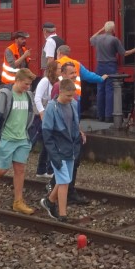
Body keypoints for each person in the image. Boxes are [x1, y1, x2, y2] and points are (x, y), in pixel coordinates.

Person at [0, 68, 38, 215]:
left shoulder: (28, 95)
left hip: (22, 138)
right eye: (26, 84)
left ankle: (18, 201)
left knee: (20, 170)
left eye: (30, 84)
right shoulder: (5, 95)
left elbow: (31, 116)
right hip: (6, 138)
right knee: (2, 169)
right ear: (17, 80)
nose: (28, 87)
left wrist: (29, 136)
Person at [46, 61, 94, 204]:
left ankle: (63, 193)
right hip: (63, 137)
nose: (75, 75)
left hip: (72, 134)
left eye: (75, 72)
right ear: (63, 74)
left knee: (73, 163)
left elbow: (73, 114)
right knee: (66, 165)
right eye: (71, 73)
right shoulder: (58, 87)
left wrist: (78, 130)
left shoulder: (72, 88)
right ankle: (60, 193)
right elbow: (56, 112)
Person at [40, 78, 86, 222]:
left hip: (70, 149)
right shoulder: (51, 108)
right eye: (68, 95)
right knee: (64, 181)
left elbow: (75, 126)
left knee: (64, 179)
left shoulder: (73, 104)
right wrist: (53, 155)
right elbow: (47, 134)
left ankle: (49, 202)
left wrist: (78, 142)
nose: (71, 98)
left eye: (72, 95)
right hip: (58, 151)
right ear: (60, 92)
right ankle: (62, 215)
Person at [90, 21, 135, 122]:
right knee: (109, 90)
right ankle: (108, 116)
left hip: (99, 66)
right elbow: (124, 53)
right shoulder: (114, 40)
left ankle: (100, 115)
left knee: (100, 90)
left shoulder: (98, 38)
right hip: (110, 66)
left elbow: (91, 38)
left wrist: (101, 30)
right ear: (113, 30)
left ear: (105, 29)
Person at [31, 60, 60, 178]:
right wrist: (42, 113)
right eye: (59, 68)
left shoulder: (57, 81)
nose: (60, 70)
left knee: (46, 143)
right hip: (42, 116)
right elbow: (37, 98)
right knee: (48, 142)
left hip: (50, 115)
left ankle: (42, 170)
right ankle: (48, 170)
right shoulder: (45, 81)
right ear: (53, 70)